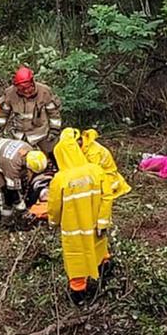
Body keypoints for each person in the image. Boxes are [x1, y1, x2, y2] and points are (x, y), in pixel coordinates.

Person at [48, 131, 106, 306]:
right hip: (96, 224)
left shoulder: (60, 179)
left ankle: (79, 296)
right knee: (100, 249)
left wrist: (53, 221)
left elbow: (54, 205)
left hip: (73, 228)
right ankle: (105, 278)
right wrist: (104, 219)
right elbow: (107, 196)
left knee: (76, 257)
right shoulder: (96, 170)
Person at [80, 129, 131, 275]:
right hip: (103, 181)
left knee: (101, 214)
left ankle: (105, 259)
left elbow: (92, 176)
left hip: (108, 182)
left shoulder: (93, 153)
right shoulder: (86, 147)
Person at [0, 137, 48, 221]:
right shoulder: (12, 165)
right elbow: (11, 191)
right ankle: (4, 218)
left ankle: (0, 212)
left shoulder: (28, 149)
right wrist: (20, 205)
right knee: (2, 188)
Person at [0, 66, 63, 156]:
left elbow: (54, 114)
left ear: (32, 82)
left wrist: (54, 131)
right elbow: (3, 114)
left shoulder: (44, 92)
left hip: (42, 134)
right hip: (19, 135)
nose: (27, 91)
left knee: (54, 155)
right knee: (20, 161)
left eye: (28, 88)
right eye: (22, 89)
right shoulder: (10, 94)